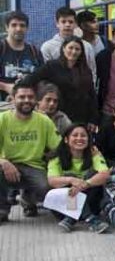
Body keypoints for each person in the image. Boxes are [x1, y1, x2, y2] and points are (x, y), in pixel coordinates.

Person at [0, 81, 62, 223]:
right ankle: (2, 209)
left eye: (30, 97)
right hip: (8, 165)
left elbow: (58, 147)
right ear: (13, 99)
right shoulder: (2, 119)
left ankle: (28, 199)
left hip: (35, 167)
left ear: (35, 100)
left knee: (46, 187)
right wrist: (3, 161)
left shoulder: (44, 120)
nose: (26, 100)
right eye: (22, 97)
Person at [47, 123, 111, 233]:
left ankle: (71, 219)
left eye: (83, 135)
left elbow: (105, 174)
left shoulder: (94, 153)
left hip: (91, 201)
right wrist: (72, 180)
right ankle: (91, 219)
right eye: (75, 135)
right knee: (69, 179)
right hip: (63, 207)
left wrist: (85, 184)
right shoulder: (57, 156)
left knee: (92, 176)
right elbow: (52, 181)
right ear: (66, 139)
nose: (79, 138)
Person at [28, 36, 99, 129]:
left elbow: (91, 95)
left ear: (81, 52)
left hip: (81, 118)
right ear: (63, 48)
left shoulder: (85, 70)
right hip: (58, 117)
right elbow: (31, 79)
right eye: (70, 48)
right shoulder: (52, 66)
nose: (73, 51)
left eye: (77, 49)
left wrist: (93, 119)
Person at [40, 7, 97, 83]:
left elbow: (92, 71)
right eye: (63, 22)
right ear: (57, 24)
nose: (67, 25)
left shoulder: (87, 46)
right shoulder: (47, 47)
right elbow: (45, 74)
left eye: (70, 22)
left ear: (75, 24)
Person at [0, 11, 43, 101]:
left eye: (22, 25)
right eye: (14, 25)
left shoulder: (34, 51)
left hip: (28, 104)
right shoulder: (1, 48)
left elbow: (42, 79)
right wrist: (5, 87)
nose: (18, 29)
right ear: (7, 28)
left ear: (27, 28)